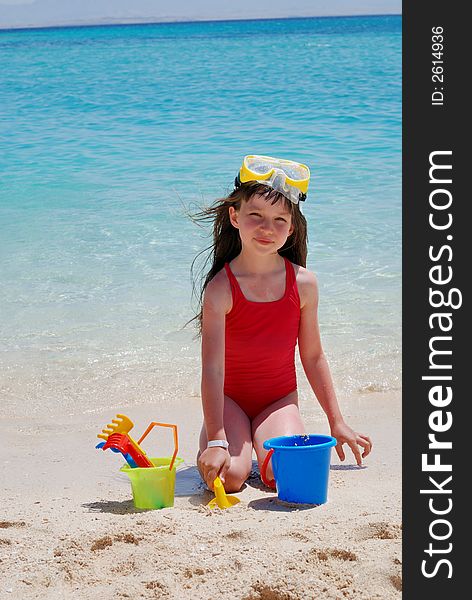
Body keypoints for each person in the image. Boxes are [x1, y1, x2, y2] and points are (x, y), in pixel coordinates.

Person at [191, 155, 372, 493]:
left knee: (282, 477)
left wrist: (337, 422)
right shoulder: (220, 289)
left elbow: (314, 356)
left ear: (291, 228)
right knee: (230, 479)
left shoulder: (304, 284)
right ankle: (220, 440)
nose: (267, 228)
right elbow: (212, 370)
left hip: (278, 401)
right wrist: (217, 439)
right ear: (235, 216)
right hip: (230, 400)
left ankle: (253, 442)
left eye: (279, 220)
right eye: (255, 216)